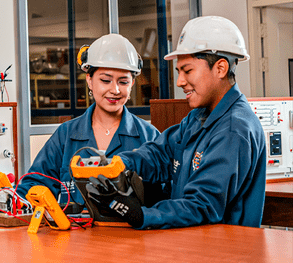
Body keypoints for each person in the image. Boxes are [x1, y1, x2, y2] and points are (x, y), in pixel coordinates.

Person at [88, 16, 267, 229]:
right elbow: (160, 154)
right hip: (193, 249)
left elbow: (202, 205)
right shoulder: (198, 117)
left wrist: (143, 216)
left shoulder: (233, 129)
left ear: (220, 68)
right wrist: (121, 163)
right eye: (178, 72)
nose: (180, 81)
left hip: (224, 256)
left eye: (188, 70)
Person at [16, 34, 160, 205]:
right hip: (75, 231)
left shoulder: (149, 136)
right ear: (90, 81)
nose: (115, 90)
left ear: (132, 84)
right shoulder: (66, 135)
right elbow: (34, 185)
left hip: (135, 231)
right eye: (105, 80)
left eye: (123, 82)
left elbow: (167, 192)